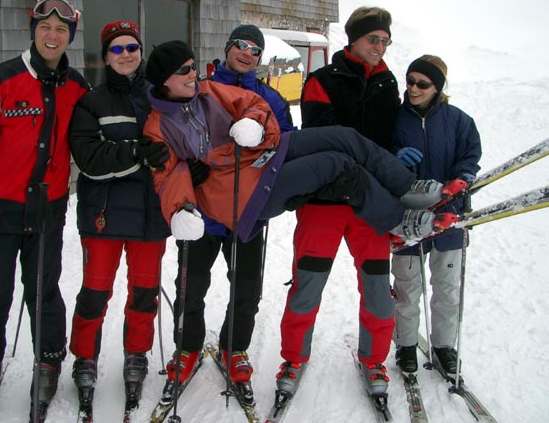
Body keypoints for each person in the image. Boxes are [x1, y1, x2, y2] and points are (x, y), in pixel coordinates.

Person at [141, 40, 452, 398]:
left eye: (193, 65)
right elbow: (168, 175)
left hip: (265, 153)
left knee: (345, 138)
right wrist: (179, 208)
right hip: (242, 193)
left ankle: (406, 186)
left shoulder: (209, 91)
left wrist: (253, 123)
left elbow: (254, 104)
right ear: (164, 80)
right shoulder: (158, 126)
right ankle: (398, 220)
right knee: (337, 164)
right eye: (183, 70)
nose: (193, 74)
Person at [0, 0, 89, 420]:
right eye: (45, 27)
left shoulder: (77, 87)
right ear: (33, 30)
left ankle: (48, 361)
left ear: (69, 37)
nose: (52, 35)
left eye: (61, 30)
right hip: (0, 211)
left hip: (49, 211)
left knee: (44, 292)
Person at [277, 6, 402, 401]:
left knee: (379, 288)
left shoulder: (388, 83)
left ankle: (373, 359)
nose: (379, 47)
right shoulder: (321, 80)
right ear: (353, 39)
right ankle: (294, 357)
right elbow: (323, 139)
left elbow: (392, 140)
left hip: (371, 205)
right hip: (325, 202)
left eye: (385, 41)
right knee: (307, 284)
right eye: (373, 40)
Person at [166, 25, 295, 397]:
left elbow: (285, 144)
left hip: (249, 213)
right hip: (203, 211)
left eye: (255, 49)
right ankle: (187, 347)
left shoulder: (269, 98)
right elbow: (175, 135)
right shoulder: (199, 90)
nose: (246, 52)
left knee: (246, 287)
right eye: (240, 44)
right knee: (190, 285)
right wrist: (188, 166)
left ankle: (233, 347)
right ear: (227, 48)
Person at [67, 21, 171, 407]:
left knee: (144, 295)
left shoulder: (159, 97)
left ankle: (136, 355)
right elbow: (89, 160)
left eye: (132, 47)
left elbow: (180, 143)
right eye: (117, 48)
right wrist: (134, 153)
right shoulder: (92, 102)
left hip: (150, 217)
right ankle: (84, 358)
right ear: (106, 55)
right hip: (104, 216)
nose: (126, 54)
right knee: (94, 294)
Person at [391, 55, 481, 377]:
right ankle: (405, 345)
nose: (413, 88)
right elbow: (378, 155)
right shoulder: (394, 119)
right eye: (410, 81)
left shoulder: (459, 121)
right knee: (407, 285)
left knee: (446, 286)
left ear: (438, 87)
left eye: (422, 84)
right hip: (408, 217)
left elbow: (470, 156)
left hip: (449, 216)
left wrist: (463, 177)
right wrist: (394, 158)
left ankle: (444, 346)